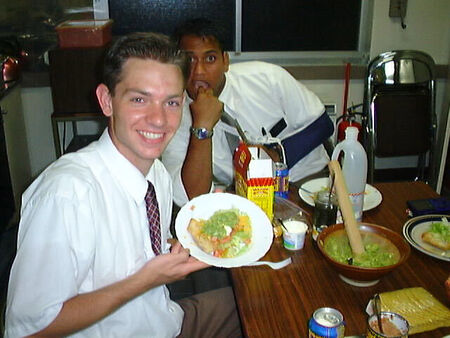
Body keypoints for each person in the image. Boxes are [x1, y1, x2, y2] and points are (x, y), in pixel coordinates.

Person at [5, 32, 241, 338]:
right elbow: (27, 330)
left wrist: (182, 247)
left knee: (264, 303)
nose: (158, 119)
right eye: (139, 99)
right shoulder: (67, 194)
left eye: (170, 102)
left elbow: (141, 247)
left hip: (165, 320)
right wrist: (145, 280)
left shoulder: (155, 174)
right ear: (107, 101)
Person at [162, 18, 334, 207]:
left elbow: (323, 125)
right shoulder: (173, 116)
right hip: (245, 199)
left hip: (308, 183)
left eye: (210, 58)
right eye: (189, 60)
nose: (199, 71)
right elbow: (189, 197)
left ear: (225, 61)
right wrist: (202, 128)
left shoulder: (267, 78)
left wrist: (277, 155)